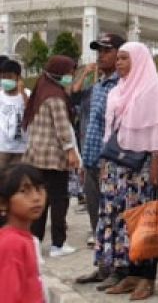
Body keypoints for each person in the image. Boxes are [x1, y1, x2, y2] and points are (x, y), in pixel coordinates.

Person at [95, 42, 158, 300]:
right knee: (124, 221)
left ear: (139, 60)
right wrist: (104, 164)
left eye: (124, 58)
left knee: (145, 221)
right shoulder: (118, 90)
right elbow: (111, 132)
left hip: (143, 168)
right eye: (117, 58)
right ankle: (131, 273)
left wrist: (155, 162)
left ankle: (147, 279)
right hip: (118, 168)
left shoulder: (153, 89)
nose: (118, 63)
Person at [74, 33, 125, 285]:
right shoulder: (99, 85)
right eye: (99, 50)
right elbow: (91, 126)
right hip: (92, 162)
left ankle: (117, 269)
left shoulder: (122, 85)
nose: (101, 55)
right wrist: (85, 162)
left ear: (119, 54)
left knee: (113, 219)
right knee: (97, 219)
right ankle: (103, 266)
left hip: (111, 164)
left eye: (106, 50)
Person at [20, 54, 80, 258]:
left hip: (36, 155)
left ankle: (35, 244)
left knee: (39, 201)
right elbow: (62, 127)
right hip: (53, 156)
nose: (72, 76)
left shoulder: (41, 91)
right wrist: (71, 151)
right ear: (59, 73)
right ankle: (58, 244)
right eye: (70, 72)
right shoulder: (55, 95)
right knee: (59, 200)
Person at [0, 163, 48, 302]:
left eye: (39, 189)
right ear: (3, 203)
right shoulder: (12, 244)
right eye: (24, 191)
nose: (36, 197)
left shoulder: (26, 239)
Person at [0, 58, 29, 169]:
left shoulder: (27, 94)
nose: (5, 80)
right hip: (2, 148)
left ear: (18, 77)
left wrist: (23, 95)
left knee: (16, 181)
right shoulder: (1, 95)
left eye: (9, 77)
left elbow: (31, 113)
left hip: (22, 148)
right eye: (3, 77)